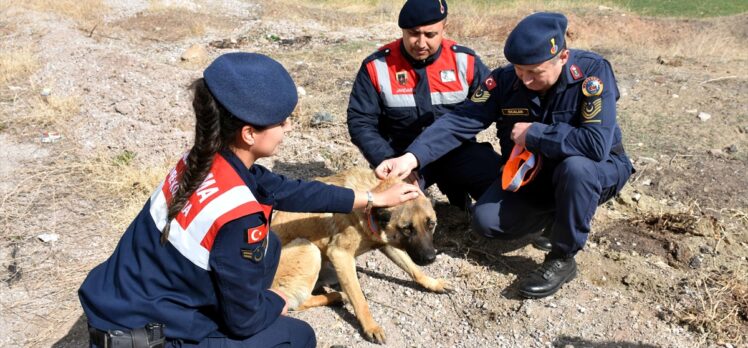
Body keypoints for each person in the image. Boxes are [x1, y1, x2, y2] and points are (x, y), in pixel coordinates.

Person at [78, 53, 421, 348]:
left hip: (123, 299)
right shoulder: (239, 217)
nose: (288, 126)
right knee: (296, 336)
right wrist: (279, 298)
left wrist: (372, 198)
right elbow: (245, 322)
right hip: (145, 335)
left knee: (270, 247)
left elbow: (291, 190)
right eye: (281, 121)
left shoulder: (201, 159)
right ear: (249, 133)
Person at [374, 12, 634, 299]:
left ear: (562, 57)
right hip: (533, 174)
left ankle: (562, 257)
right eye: (520, 70)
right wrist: (412, 158)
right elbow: (460, 120)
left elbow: (596, 144)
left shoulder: (592, 75)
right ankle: (558, 213)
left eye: (535, 72)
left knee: (576, 169)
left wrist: (536, 134)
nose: (526, 80)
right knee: (486, 221)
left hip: (598, 169)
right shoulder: (505, 81)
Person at [346, 0, 501, 211]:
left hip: (457, 151)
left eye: (430, 35)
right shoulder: (377, 66)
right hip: (400, 157)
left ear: (443, 28)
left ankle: (463, 197)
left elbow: (493, 104)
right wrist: (389, 160)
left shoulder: (465, 61)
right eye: (413, 33)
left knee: (502, 195)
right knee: (385, 212)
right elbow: (361, 122)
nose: (420, 43)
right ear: (402, 30)